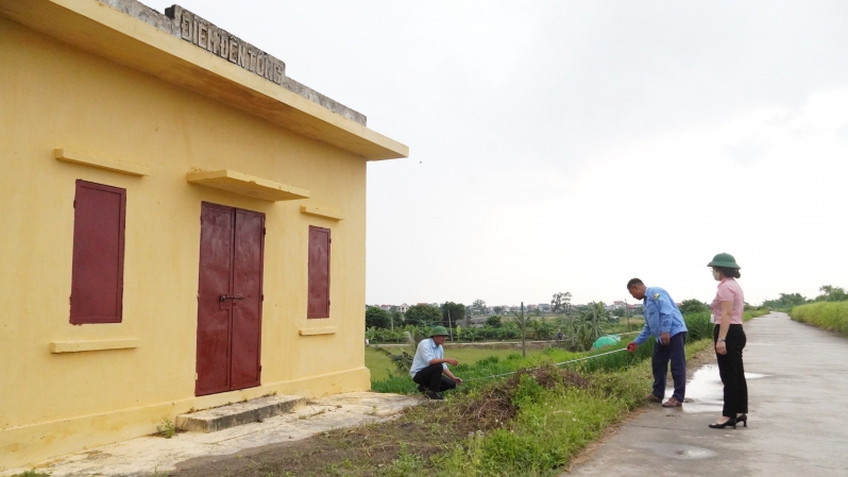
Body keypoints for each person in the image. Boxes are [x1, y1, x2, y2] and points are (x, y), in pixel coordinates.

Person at [625, 278, 688, 407]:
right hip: (661, 337)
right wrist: (636, 342)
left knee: (677, 365)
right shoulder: (646, 304)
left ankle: (678, 397)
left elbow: (667, 311)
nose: (633, 296)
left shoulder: (655, 292)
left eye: (632, 294)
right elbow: (648, 327)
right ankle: (658, 394)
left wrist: (665, 330)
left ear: (636, 288)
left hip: (674, 333)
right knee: (658, 363)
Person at [707, 253, 748, 429]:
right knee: (737, 374)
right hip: (737, 330)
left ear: (719, 270)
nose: (713, 272)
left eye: (713, 269)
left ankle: (728, 415)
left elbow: (726, 314)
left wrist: (721, 338)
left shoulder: (724, 288)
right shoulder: (735, 286)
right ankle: (740, 411)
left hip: (728, 332)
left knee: (729, 376)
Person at [409, 326, 463, 400]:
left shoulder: (439, 347)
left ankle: (425, 389)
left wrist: (453, 378)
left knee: (451, 384)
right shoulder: (425, 344)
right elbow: (430, 361)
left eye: (445, 336)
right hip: (418, 375)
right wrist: (447, 359)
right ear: (435, 336)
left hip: (431, 374)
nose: (444, 338)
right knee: (437, 366)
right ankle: (433, 392)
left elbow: (443, 365)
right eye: (442, 336)